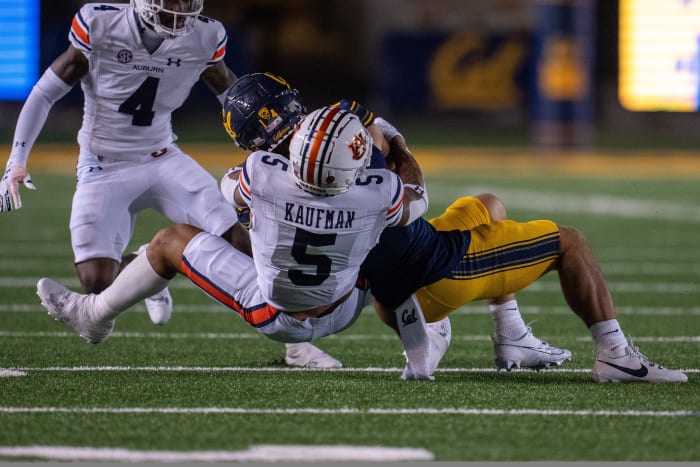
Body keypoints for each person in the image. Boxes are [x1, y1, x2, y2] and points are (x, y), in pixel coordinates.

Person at [219, 74, 687, 383]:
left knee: (485, 204)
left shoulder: (266, 180)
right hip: (435, 274)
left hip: (384, 285)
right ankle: (616, 356)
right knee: (570, 242)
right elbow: (411, 185)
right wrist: (388, 135)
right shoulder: (360, 175)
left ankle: (513, 339)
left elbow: (251, 221)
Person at [0, 1, 345, 369]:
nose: (181, 9)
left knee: (244, 242)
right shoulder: (101, 24)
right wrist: (17, 161)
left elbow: (235, 101)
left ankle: (296, 345)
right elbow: (44, 92)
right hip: (103, 164)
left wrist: (279, 139)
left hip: (164, 157)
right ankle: (155, 263)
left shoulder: (204, 35)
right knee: (98, 283)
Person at [38, 106, 431, 361]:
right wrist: (392, 141)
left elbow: (231, 186)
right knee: (398, 237)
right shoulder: (378, 192)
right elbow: (417, 195)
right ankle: (426, 331)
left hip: (277, 313)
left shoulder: (262, 173)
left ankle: (95, 314)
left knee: (169, 242)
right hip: (347, 306)